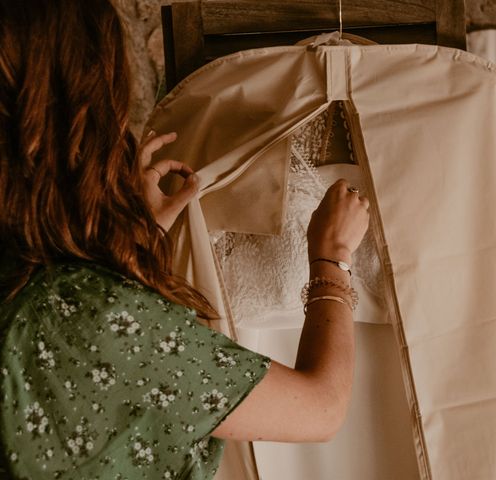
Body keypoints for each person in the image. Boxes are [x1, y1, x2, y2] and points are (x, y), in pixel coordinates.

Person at [0, 0, 370, 478]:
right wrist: (332, 260)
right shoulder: (94, 320)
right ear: (83, 113)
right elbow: (322, 408)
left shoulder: (50, 294)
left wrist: (141, 236)